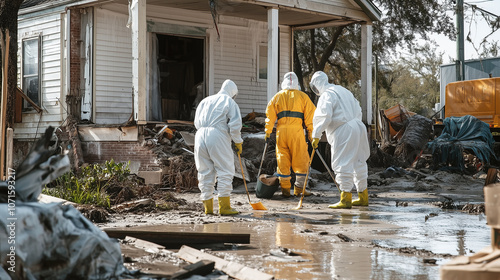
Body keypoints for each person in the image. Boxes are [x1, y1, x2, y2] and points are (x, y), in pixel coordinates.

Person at [309, 71, 370, 209]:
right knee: (359, 161)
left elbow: (323, 116)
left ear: (317, 84)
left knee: (342, 162)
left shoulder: (326, 95)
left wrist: (316, 135)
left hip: (343, 129)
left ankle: (345, 198)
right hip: (358, 126)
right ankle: (363, 196)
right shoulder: (343, 90)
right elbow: (358, 108)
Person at [194, 79, 243, 215]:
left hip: (200, 135)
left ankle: (208, 208)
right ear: (233, 93)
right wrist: (238, 141)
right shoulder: (229, 102)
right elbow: (235, 125)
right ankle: (224, 207)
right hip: (217, 135)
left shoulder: (205, 100)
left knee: (204, 171)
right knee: (225, 169)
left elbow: (196, 121)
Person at [265, 72, 316, 197]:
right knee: (301, 158)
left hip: (281, 132)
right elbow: (311, 118)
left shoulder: (277, 97)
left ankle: (285, 190)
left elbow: (269, 116)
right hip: (297, 131)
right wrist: (312, 134)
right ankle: (299, 188)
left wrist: (267, 132)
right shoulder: (303, 97)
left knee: (282, 158)